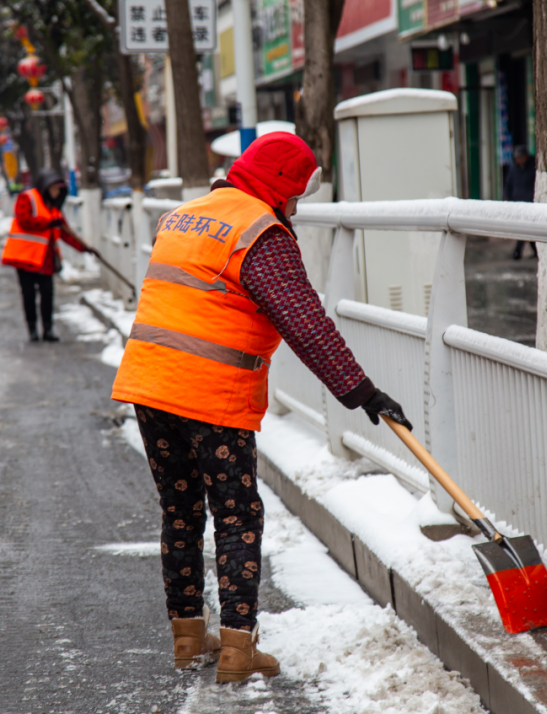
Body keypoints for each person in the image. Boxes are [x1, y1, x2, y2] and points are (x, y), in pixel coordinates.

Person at [110, 132, 412, 683]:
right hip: (210, 395)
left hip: (150, 385)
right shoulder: (260, 233)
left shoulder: (184, 217)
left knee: (180, 512)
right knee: (237, 515)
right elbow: (305, 323)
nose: (296, 206)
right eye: (295, 194)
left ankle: (187, 638)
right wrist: (362, 392)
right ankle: (237, 649)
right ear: (277, 187)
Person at [1, 169, 89, 342]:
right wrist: (48, 223)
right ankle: (32, 329)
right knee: (29, 295)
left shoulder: (54, 208)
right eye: (54, 188)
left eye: (59, 189)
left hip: (45, 260)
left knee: (47, 294)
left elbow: (65, 233)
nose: (56, 192)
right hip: (25, 258)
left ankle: (48, 330)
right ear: (45, 186)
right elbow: (24, 221)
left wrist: (85, 248)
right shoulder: (27, 198)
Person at [504, 144, 537, 259]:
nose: (519, 160)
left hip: (530, 202)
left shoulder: (534, 167)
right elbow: (509, 184)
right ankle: (534, 251)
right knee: (525, 229)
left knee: (526, 228)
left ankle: (517, 252)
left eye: (521, 157)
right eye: (517, 158)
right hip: (518, 203)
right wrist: (508, 199)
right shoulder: (514, 168)